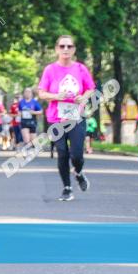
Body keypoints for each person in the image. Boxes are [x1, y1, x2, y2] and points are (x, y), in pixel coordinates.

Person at [37, 35, 96, 202]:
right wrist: (56, 96)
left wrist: (84, 98)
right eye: (62, 46)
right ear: (56, 49)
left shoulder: (80, 68)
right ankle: (67, 188)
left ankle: (78, 172)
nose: (65, 49)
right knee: (62, 153)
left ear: (74, 49)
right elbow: (41, 93)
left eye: (69, 46)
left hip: (76, 116)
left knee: (77, 155)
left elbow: (90, 88)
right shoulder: (50, 70)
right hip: (56, 117)